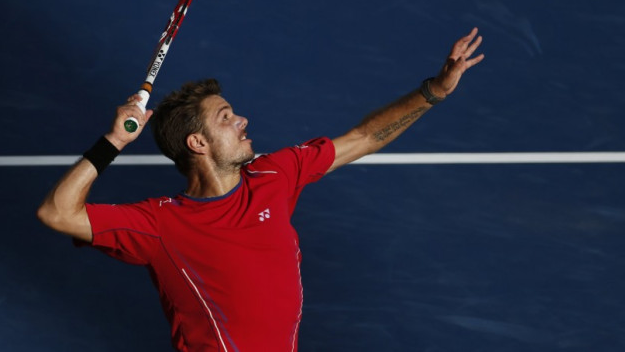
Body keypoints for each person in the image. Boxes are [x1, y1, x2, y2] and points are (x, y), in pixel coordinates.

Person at [37, 28, 484, 352]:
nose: (242, 120)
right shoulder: (161, 223)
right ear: (198, 144)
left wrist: (434, 92)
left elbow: (363, 138)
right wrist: (114, 141)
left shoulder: (275, 175)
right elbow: (57, 213)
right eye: (226, 117)